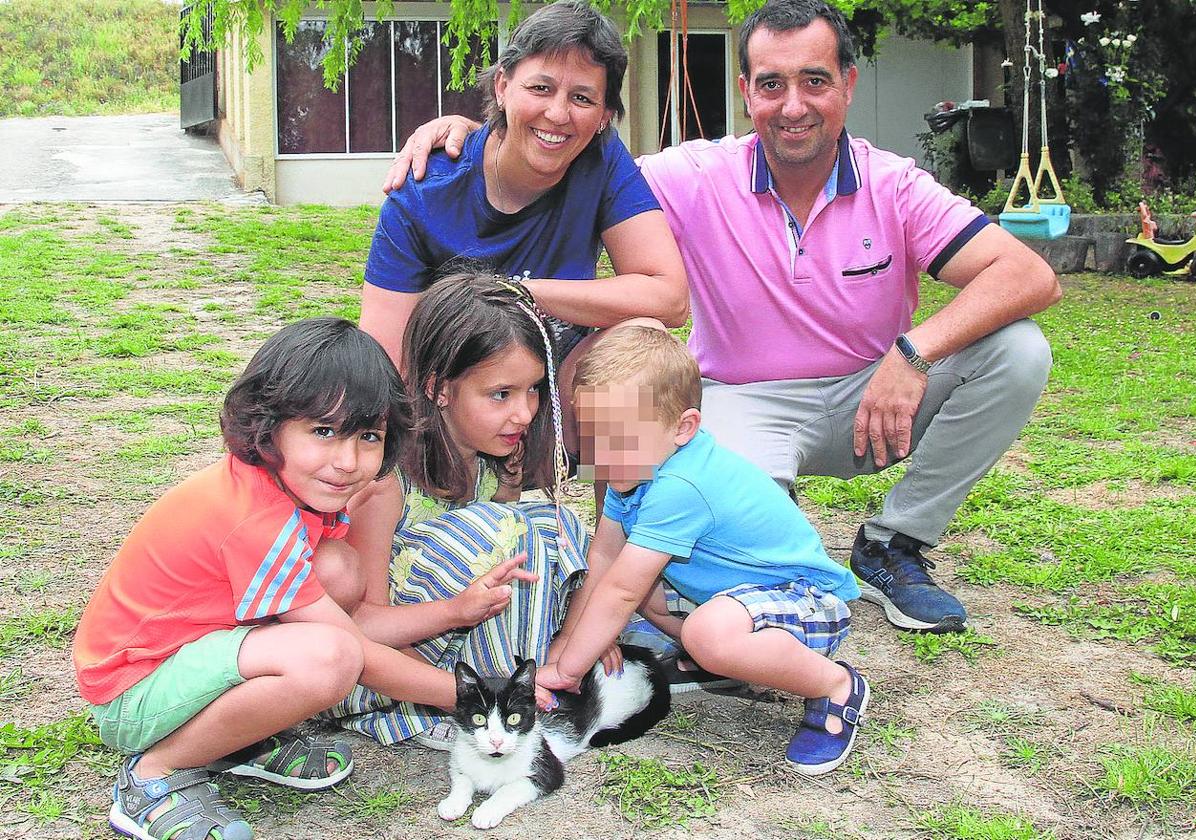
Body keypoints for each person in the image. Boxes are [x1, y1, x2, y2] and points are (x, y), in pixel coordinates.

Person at [383, 0, 1063, 636]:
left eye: (814, 81)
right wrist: (473, 133)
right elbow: (555, 139)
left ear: (848, 85)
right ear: (745, 92)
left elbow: (1028, 275)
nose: (793, 105)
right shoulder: (694, 175)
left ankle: (894, 545)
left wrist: (914, 353)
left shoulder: (895, 185)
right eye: (772, 84)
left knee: (1018, 351)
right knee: (674, 430)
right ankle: (629, 575)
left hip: (875, 395)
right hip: (744, 409)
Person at [73, 318, 463, 840]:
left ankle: (241, 738)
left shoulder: (282, 489)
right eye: (323, 432)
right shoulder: (257, 518)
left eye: (368, 436)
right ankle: (153, 778)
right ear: (267, 424)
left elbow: (345, 603)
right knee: (330, 659)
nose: (347, 462)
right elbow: (352, 651)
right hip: (133, 694)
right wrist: (462, 694)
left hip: (189, 655)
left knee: (337, 570)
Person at [360, 0, 687, 461]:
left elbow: (668, 298)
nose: (558, 114)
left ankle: (612, 524)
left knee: (640, 345)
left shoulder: (600, 160)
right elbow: (384, 358)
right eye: (540, 87)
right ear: (502, 86)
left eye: (582, 98)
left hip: (554, 394)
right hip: (451, 404)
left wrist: (521, 293)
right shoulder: (423, 191)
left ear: (603, 117)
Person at [536, 325, 867, 775]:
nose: (602, 453)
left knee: (698, 629)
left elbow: (619, 592)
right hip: (736, 599)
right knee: (645, 593)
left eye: (619, 437)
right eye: (590, 434)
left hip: (806, 601)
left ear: (683, 428)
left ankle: (835, 685)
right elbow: (604, 563)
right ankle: (728, 663)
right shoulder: (631, 468)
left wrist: (567, 672)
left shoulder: (680, 485)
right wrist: (567, 648)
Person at [333, 272, 597, 749]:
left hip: (459, 661)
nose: (524, 413)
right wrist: (454, 616)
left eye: (534, 390)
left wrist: (586, 631)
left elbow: (522, 581)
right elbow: (361, 622)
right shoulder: (388, 482)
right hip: (386, 673)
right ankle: (474, 707)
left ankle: (519, 691)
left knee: (552, 523)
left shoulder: (495, 464)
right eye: (501, 394)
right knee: (500, 528)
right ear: (439, 388)